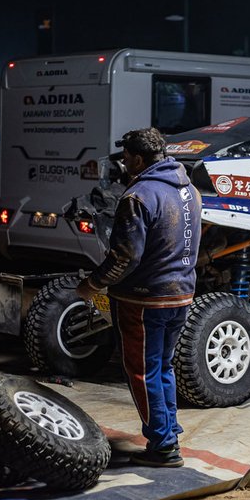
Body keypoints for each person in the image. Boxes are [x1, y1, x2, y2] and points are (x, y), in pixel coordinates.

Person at [75, 128, 202, 468]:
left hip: (144, 300)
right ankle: (168, 428)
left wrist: (93, 283)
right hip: (180, 295)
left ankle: (163, 447)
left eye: (127, 155)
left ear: (139, 158)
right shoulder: (189, 189)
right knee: (162, 367)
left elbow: (125, 257)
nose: (123, 161)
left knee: (142, 372)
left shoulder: (139, 196)